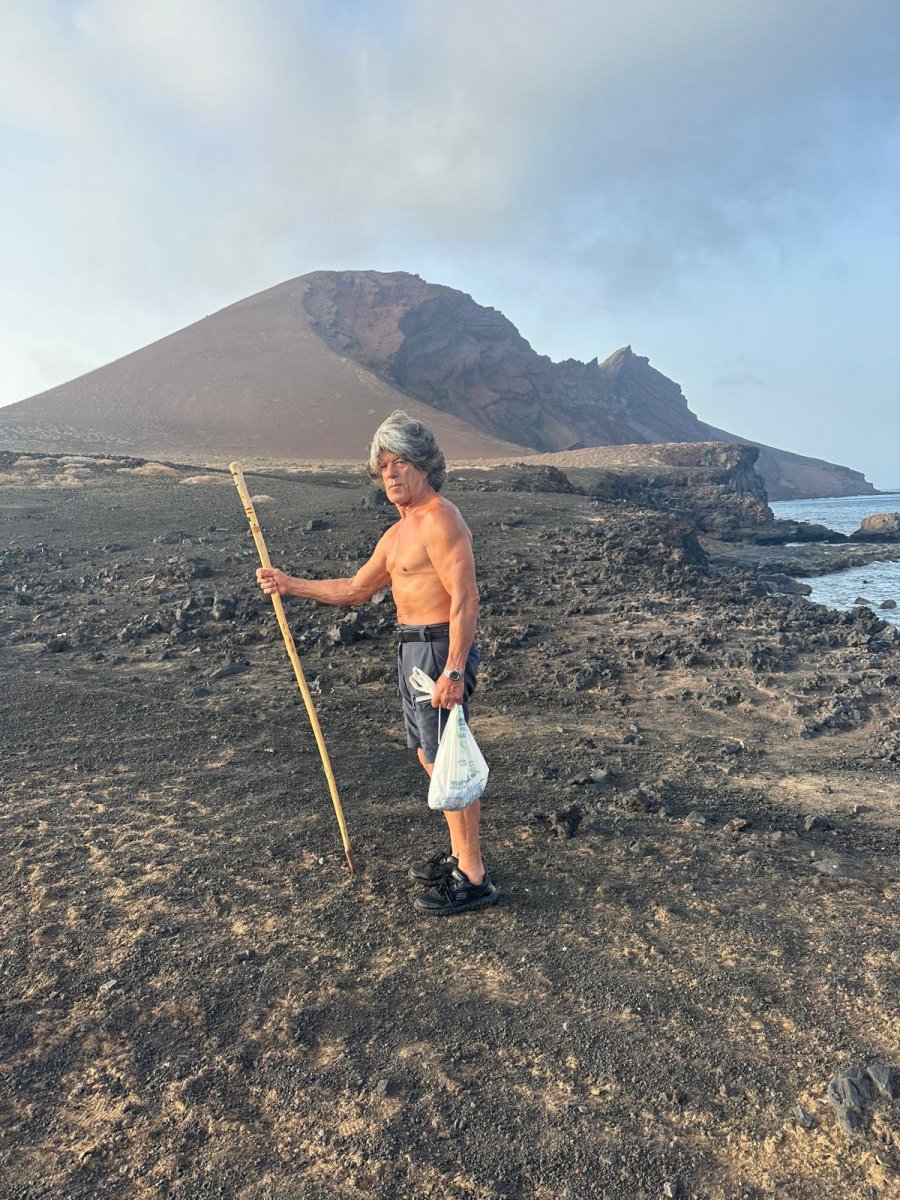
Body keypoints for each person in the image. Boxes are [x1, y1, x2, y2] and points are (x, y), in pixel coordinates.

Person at [256, 409, 497, 916]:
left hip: (437, 648)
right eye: (382, 465)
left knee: (448, 759)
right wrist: (288, 584)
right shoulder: (398, 533)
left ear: (424, 465)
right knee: (430, 756)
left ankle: (473, 877)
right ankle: (460, 856)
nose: (389, 473)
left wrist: (454, 669)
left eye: (399, 462)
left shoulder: (440, 518)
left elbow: (466, 599)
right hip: (411, 650)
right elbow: (354, 590)